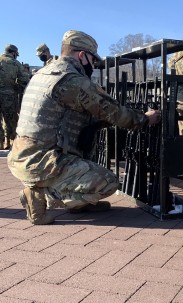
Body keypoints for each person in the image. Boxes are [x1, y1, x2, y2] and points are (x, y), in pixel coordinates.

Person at [7, 30, 161, 225]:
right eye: (93, 61)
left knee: (88, 143)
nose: (94, 66)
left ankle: (78, 203)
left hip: (23, 154)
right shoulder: (72, 80)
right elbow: (115, 113)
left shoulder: (44, 73)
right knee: (109, 182)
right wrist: (146, 119)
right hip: (43, 161)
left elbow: (82, 116)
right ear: (82, 55)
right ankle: (38, 194)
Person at [0, 44, 30, 150]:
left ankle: (1, 143)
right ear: (13, 53)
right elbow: (24, 80)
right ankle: (12, 144)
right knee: (11, 120)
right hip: (8, 96)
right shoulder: (14, 63)